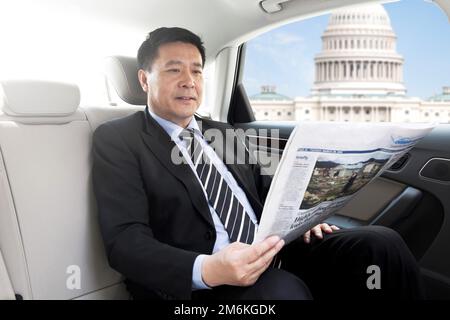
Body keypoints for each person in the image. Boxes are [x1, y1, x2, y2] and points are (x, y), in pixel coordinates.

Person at [92, 27, 425, 300]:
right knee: (282, 292)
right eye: (174, 69)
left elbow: (270, 190)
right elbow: (125, 242)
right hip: (201, 284)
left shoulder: (224, 133)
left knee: (381, 245)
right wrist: (209, 269)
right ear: (144, 80)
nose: (189, 81)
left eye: (196, 70)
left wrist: (306, 217)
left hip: (274, 251)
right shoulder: (119, 139)